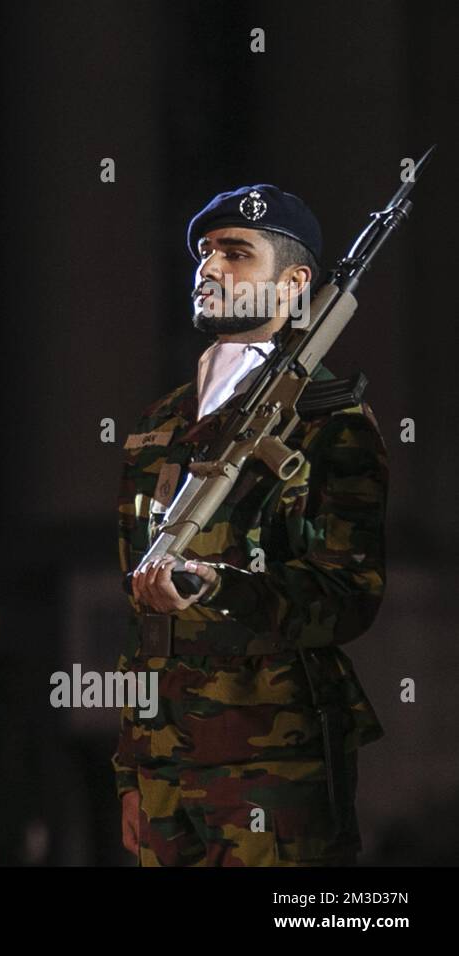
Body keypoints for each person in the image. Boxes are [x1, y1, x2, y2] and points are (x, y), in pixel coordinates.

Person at [113, 185, 388, 866]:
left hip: (274, 754)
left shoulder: (331, 421)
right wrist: (130, 767)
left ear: (295, 284)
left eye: (237, 253)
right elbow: (138, 611)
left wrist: (221, 586)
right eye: (205, 252)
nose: (209, 268)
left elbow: (348, 594)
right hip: (165, 760)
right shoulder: (158, 425)